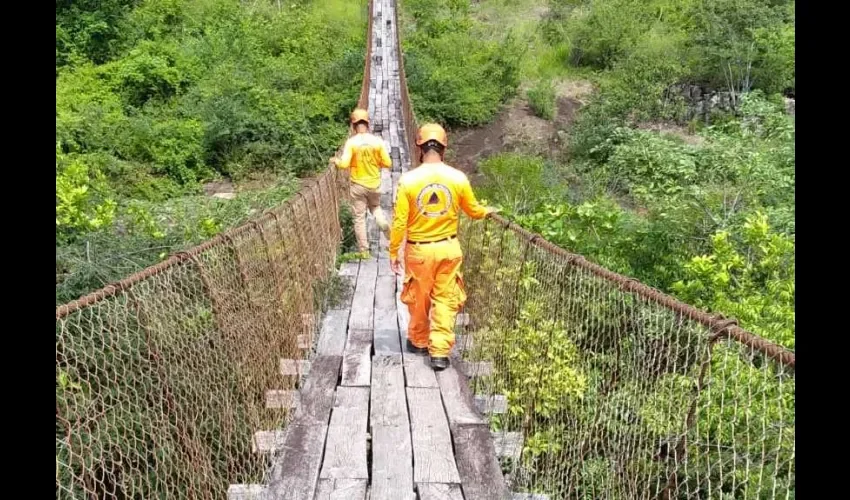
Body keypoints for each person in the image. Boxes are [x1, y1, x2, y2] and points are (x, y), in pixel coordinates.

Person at [389, 123, 496, 370]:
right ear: (444, 147)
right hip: (449, 249)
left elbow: (399, 222)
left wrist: (394, 251)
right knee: (446, 300)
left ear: (419, 147)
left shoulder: (408, 181)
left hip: (419, 251)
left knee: (418, 298)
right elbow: (473, 211)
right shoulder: (458, 178)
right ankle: (439, 352)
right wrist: (486, 211)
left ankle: (418, 340)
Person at [332, 108, 392, 258]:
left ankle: (364, 251)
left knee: (359, 217)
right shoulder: (377, 142)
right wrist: (375, 162)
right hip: (374, 185)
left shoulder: (352, 142)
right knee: (375, 207)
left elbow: (344, 164)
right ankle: (383, 223)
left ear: (353, 125)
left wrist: (336, 161)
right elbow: (388, 162)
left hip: (358, 185)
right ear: (368, 124)